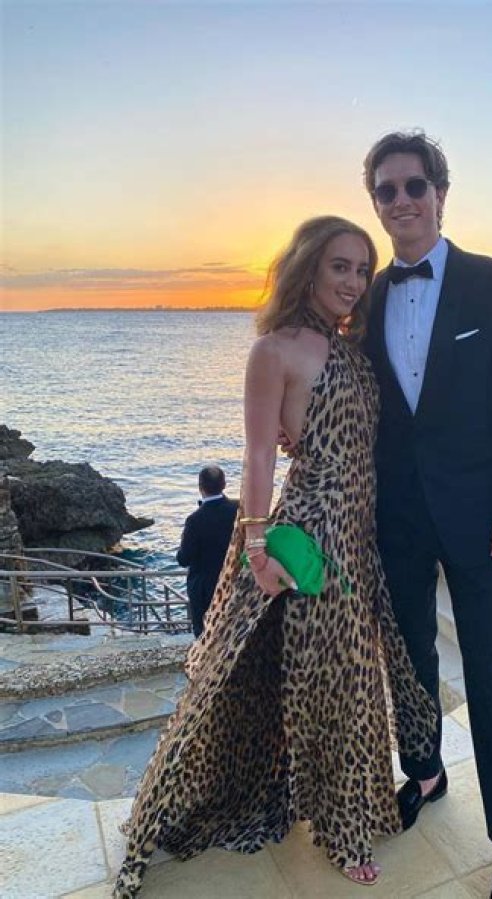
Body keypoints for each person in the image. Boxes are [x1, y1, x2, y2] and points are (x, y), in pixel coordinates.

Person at [113, 216, 436, 897]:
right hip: (314, 532)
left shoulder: (349, 345)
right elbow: (259, 456)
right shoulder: (274, 350)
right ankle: (344, 831)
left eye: (361, 269)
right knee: (341, 684)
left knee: (338, 678)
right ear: (307, 268)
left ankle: (333, 805)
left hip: (360, 533)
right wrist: (257, 549)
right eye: (339, 266)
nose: (353, 282)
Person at [362, 131, 492, 899]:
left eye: (414, 185)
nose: (401, 200)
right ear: (375, 204)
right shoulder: (366, 297)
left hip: (481, 517)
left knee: (491, 671)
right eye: (386, 190)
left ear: (441, 193)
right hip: (397, 519)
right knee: (408, 660)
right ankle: (425, 771)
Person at [176, 465, 238, 637]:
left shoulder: (195, 520)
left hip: (204, 588)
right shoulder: (238, 509)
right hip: (233, 579)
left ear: (200, 487)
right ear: (224, 484)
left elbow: (184, 559)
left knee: (205, 633)